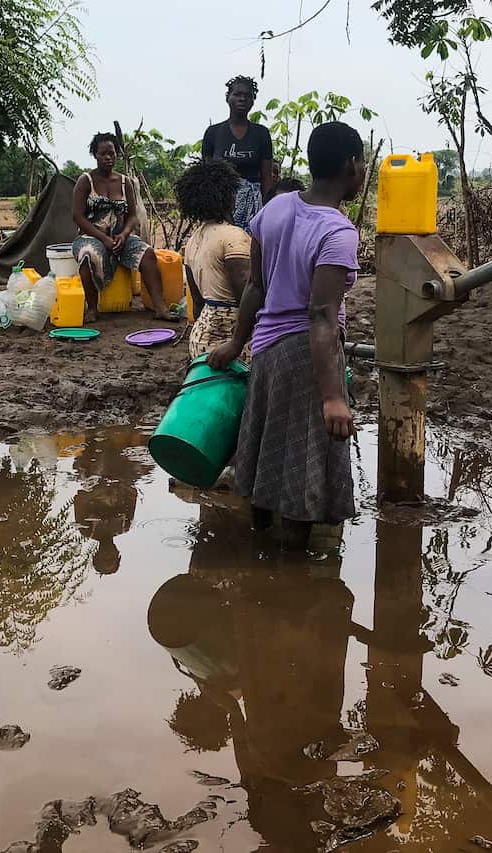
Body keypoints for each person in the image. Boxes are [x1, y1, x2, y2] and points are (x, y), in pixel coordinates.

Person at [208, 122, 366, 550]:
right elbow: (320, 315)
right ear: (352, 166)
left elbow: (256, 288)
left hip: (267, 350)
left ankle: (259, 548)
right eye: (363, 160)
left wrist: (235, 343)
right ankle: (288, 576)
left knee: (264, 458)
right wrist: (333, 395)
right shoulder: (337, 232)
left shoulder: (273, 210)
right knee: (303, 472)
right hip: (308, 357)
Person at [72, 132, 172, 323]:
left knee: (148, 254)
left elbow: (133, 216)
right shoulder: (86, 181)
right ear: (95, 155)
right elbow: (77, 217)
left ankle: (160, 307)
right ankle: (92, 308)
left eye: (112, 153)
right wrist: (104, 239)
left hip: (120, 237)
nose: (108, 158)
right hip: (91, 236)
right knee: (87, 255)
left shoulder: (126, 182)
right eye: (103, 154)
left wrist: (124, 235)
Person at [175, 160, 253, 363]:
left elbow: (197, 303)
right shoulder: (234, 237)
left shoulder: (193, 240)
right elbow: (247, 296)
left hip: (201, 336)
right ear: (228, 195)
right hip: (231, 337)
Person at [202, 77, 275, 231]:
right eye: (237, 94)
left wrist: (269, 212)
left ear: (253, 100)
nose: (242, 99)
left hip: (253, 209)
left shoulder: (261, 134)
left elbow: (267, 177)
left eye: (248, 95)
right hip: (221, 207)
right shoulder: (213, 133)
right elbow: (207, 178)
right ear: (228, 97)